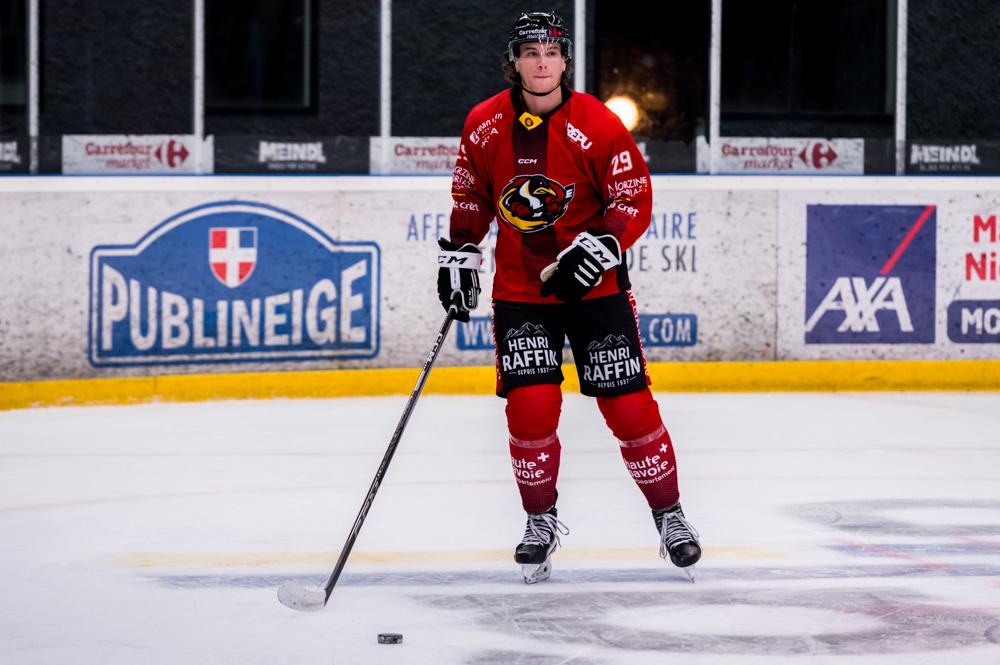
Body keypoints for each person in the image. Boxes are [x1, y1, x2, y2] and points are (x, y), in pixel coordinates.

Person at [436, 10, 701, 584]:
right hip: (520, 292)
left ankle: (670, 516)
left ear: (565, 62)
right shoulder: (483, 124)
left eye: (551, 52)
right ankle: (540, 522)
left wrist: (602, 245)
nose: (542, 62)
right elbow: (471, 195)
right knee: (530, 409)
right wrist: (460, 252)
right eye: (530, 53)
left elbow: (631, 196)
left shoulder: (599, 123)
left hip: (596, 292)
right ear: (514, 62)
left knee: (629, 409)